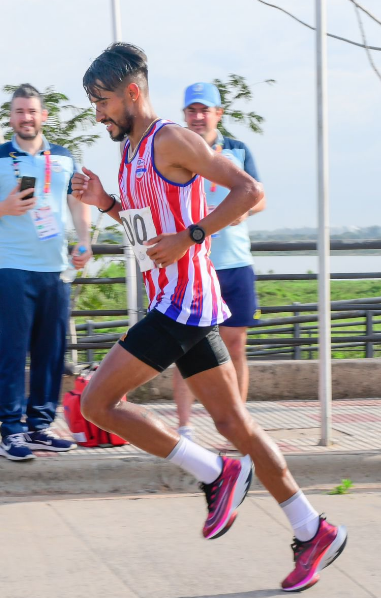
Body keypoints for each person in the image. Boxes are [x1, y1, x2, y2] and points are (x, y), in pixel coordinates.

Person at [71, 44, 346, 592]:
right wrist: (106, 204)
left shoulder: (172, 139)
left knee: (98, 403)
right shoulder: (130, 152)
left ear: (132, 93)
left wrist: (194, 234)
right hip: (175, 301)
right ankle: (312, 528)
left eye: (101, 101)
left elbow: (249, 190)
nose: (97, 114)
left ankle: (216, 472)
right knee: (233, 424)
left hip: (183, 305)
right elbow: (150, 233)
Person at [0, 84, 92, 461]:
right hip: (11, 267)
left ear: (44, 116)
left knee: (51, 351)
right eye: (19, 111)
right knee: (13, 349)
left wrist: (84, 240)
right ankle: (11, 431)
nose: (26, 118)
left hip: (55, 269)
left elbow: (77, 202)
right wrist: (4, 206)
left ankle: (39, 426)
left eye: (32, 111)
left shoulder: (64, 158)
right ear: (11, 117)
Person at [173, 82, 266, 441]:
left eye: (204, 110)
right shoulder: (176, 150)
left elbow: (259, 198)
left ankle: (238, 426)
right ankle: (185, 427)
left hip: (235, 261)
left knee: (235, 344)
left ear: (218, 114)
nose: (198, 117)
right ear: (185, 115)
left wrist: (242, 212)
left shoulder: (238, 150)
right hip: (193, 264)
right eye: (191, 110)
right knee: (186, 345)